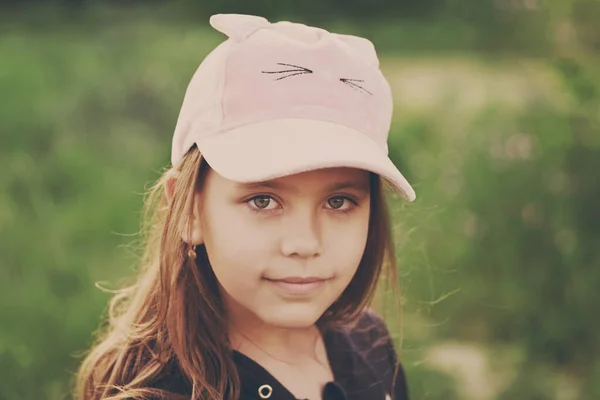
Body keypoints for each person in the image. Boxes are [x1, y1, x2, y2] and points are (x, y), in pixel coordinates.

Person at [74, 13, 417, 400]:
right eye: (263, 200)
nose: (304, 243)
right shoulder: (162, 392)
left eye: (339, 202)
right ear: (189, 210)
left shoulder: (368, 343)